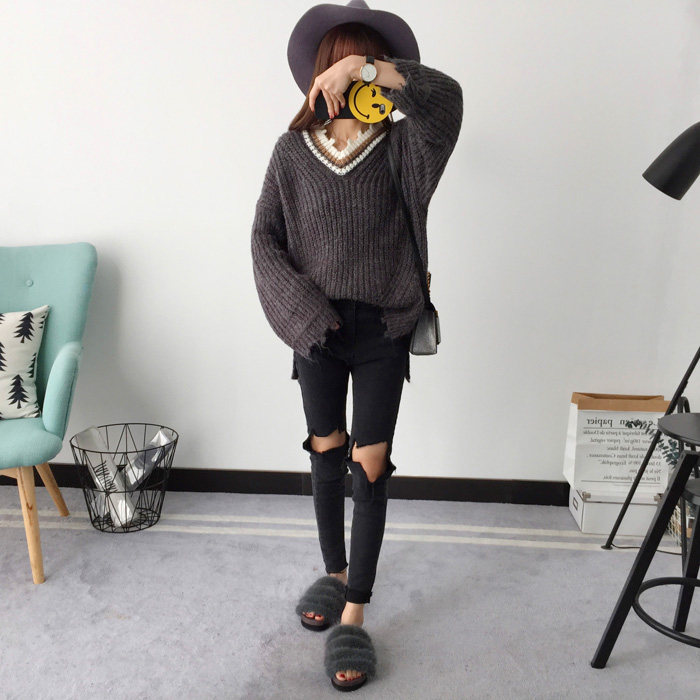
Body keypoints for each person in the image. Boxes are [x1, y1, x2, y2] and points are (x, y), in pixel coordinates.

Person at [250, 0, 463, 691]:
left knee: (369, 469)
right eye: (342, 59)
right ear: (318, 70)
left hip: (382, 330)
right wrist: (301, 313)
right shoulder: (290, 152)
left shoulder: (407, 149)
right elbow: (263, 240)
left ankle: (355, 612)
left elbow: (448, 100)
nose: (351, 73)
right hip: (314, 330)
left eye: (366, 60)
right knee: (325, 455)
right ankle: (335, 571)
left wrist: (368, 68)